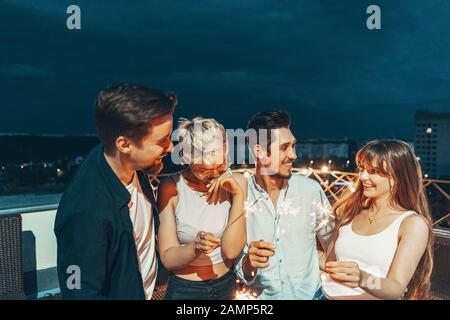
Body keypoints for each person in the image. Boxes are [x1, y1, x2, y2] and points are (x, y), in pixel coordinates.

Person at [54, 84, 176, 299]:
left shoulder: (130, 164)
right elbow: (78, 293)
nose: (171, 147)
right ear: (124, 144)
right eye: (162, 141)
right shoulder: (86, 213)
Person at [234, 110, 335, 299]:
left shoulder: (311, 191)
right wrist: (248, 263)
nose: (293, 155)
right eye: (284, 147)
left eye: (294, 146)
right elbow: (236, 263)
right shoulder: (239, 196)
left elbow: (334, 245)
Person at [321, 140, 434, 300]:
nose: (363, 177)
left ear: (397, 175)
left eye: (373, 171)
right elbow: (329, 265)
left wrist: (362, 278)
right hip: (322, 293)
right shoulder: (350, 213)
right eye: (362, 169)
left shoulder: (411, 224)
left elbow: (395, 288)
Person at [157, 117, 247, 300]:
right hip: (184, 290)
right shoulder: (170, 187)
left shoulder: (237, 183)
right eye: (204, 170)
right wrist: (195, 247)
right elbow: (168, 258)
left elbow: (231, 251)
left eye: (221, 166)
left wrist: (238, 196)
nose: (214, 174)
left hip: (226, 284)